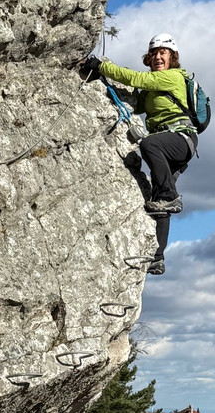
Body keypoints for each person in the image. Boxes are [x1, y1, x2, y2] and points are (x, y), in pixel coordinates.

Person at [81, 34, 197, 275]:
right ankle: (157, 257)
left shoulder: (172, 77)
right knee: (158, 203)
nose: (157, 57)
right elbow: (136, 101)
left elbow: (137, 78)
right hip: (171, 144)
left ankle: (169, 194)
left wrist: (103, 66)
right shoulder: (155, 90)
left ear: (172, 57)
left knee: (149, 145)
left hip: (179, 139)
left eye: (163, 53)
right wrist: (103, 81)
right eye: (154, 54)